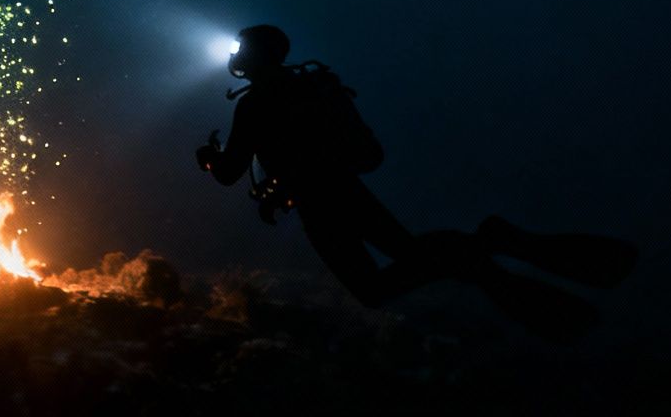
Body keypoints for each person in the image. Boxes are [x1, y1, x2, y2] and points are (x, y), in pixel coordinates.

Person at [195, 23, 636, 341]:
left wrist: (209, 159)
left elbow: (231, 173)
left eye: (239, 47)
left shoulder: (254, 107)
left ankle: (487, 243)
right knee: (409, 255)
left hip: (321, 205)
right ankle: (486, 248)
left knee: (372, 289)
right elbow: (355, 152)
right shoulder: (315, 88)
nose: (235, 55)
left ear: (254, 55)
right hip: (350, 191)